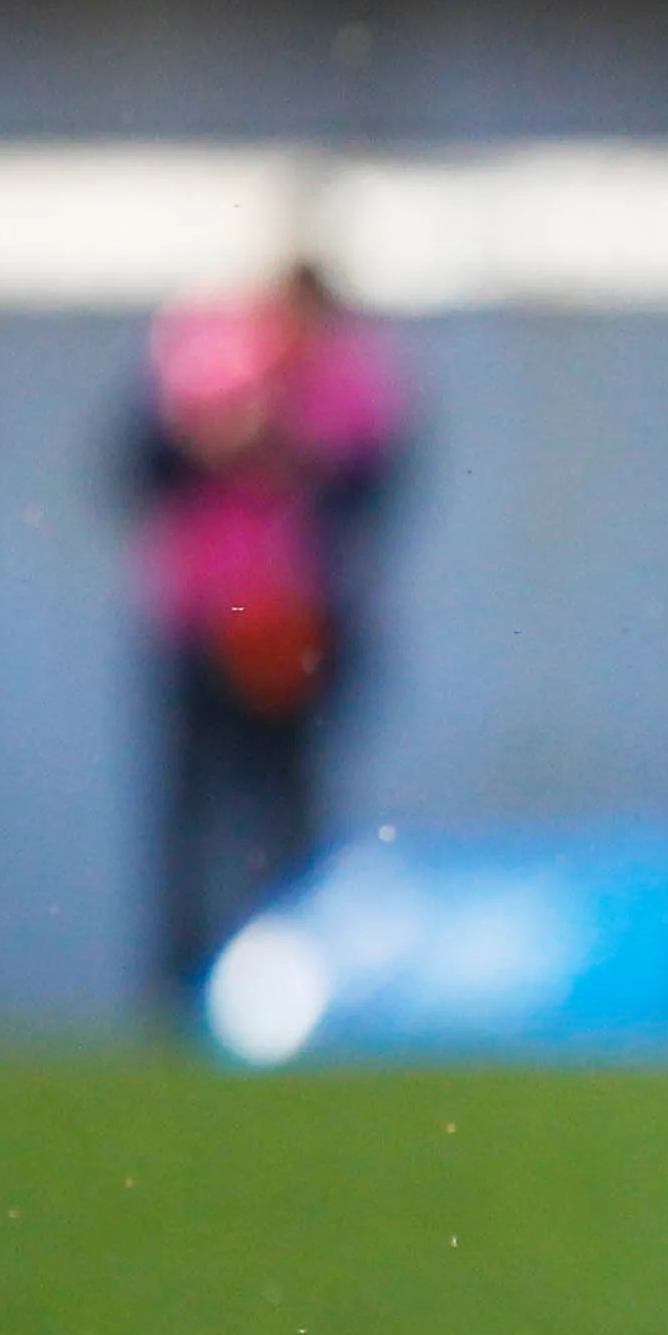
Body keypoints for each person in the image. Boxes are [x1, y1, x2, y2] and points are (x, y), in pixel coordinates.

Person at [135, 262, 409, 1007]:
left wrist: (294, 456)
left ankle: (295, 979)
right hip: (204, 622)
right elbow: (141, 468)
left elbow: (374, 491)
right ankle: (182, 988)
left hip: (300, 624)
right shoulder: (204, 367)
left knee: (290, 808)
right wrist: (217, 445)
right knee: (193, 811)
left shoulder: (352, 384)